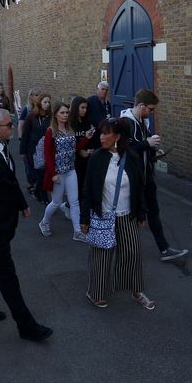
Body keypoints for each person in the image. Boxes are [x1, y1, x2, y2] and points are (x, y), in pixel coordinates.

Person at [0, 108, 52, 341]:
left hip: (5, 222)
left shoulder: (1, 149)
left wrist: (22, 202)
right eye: (8, 125)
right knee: (7, 277)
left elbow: (9, 180)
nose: (12, 128)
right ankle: (26, 326)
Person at [80, 117, 153, 310]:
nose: (101, 137)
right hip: (103, 216)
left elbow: (139, 187)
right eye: (101, 133)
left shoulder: (132, 158)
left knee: (132, 254)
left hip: (127, 215)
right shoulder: (96, 158)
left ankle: (136, 291)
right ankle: (95, 292)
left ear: (118, 136)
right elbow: (87, 189)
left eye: (106, 133)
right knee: (101, 257)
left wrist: (142, 213)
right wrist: (84, 218)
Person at [121, 89, 188, 262]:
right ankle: (125, 255)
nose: (151, 113)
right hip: (133, 180)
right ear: (141, 106)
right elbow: (124, 151)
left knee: (154, 212)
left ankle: (164, 249)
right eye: (150, 109)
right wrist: (146, 143)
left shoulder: (143, 122)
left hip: (147, 176)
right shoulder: (126, 123)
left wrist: (154, 151)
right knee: (133, 216)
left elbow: (144, 148)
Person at [38, 102, 83, 241]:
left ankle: (77, 232)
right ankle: (44, 222)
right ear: (56, 114)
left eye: (67, 112)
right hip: (58, 173)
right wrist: (53, 174)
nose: (65, 115)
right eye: (62, 112)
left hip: (70, 170)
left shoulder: (70, 129)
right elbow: (47, 154)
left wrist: (86, 138)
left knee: (74, 202)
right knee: (56, 202)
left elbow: (75, 148)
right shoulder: (51, 131)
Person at [21, 93, 52, 204]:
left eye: (49, 102)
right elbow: (25, 134)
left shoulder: (51, 117)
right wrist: (22, 151)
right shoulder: (31, 117)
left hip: (47, 149)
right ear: (39, 103)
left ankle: (40, 192)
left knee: (44, 173)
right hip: (33, 150)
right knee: (39, 173)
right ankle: (43, 196)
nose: (47, 104)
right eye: (45, 102)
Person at [70, 96, 95, 195]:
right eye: (82, 107)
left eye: (86, 108)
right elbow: (71, 145)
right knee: (78, 188)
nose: (85, 110)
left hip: (87, 159)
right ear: (76, 107)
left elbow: (92, 139)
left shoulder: (87, 121)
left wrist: (90, 150)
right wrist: (80, 150)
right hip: (75, 161)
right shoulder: (70, 124)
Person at [85, 82, 111, 150]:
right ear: (98, 90)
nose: (104, 91)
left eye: (106, 90)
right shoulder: (90, 101)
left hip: (103, 134)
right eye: (102, 89)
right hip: (92, 135)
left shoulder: (107, 104)